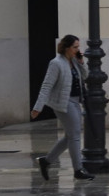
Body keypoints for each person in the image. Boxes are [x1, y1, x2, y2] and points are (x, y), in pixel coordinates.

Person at [30, 35, 94, 181]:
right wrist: (37, 107)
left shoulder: (74, 61)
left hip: (76, 101)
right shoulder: (56, 63)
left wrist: (81, 62)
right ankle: (78, 170)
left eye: (78, 47)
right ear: (66, 48)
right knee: (75, 135)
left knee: (69, 136)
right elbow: (46, 86)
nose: (78, 50)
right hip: (63, 103)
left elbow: (85, 76)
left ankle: (46, 161)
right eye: (75, 47)